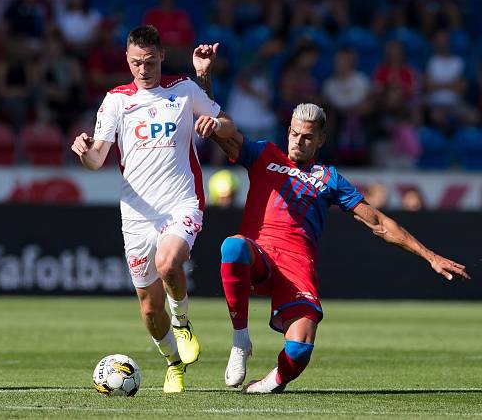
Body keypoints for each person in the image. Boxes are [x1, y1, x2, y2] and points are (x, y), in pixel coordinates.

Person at [195, 102, 470, 393]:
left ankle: (270, 383)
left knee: (300, 350)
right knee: (233, 247)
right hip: (260, 252)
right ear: (288, 131)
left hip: (297, 266)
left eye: (307, 137)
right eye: (295, 134)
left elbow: (377, 222)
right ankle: (240, 341)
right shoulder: (263, 153)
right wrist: (205, 77)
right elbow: (216, 128)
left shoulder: (330, 179)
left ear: (320, 140)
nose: (299, 141)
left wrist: (430, 256)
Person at [70, 25, 236, 393]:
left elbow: (226, 124)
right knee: (148, 308)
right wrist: (84, 153)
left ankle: (183, 323)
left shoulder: (184, 89)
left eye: (148, 61)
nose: (142, 70)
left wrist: (215, 121)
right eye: (134, 63)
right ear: (127, 61)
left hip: (181, 202)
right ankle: (173, 363)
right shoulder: (116, 100)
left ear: (161, 55)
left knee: (168, 262)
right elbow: (97, 159)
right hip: (136, 216)